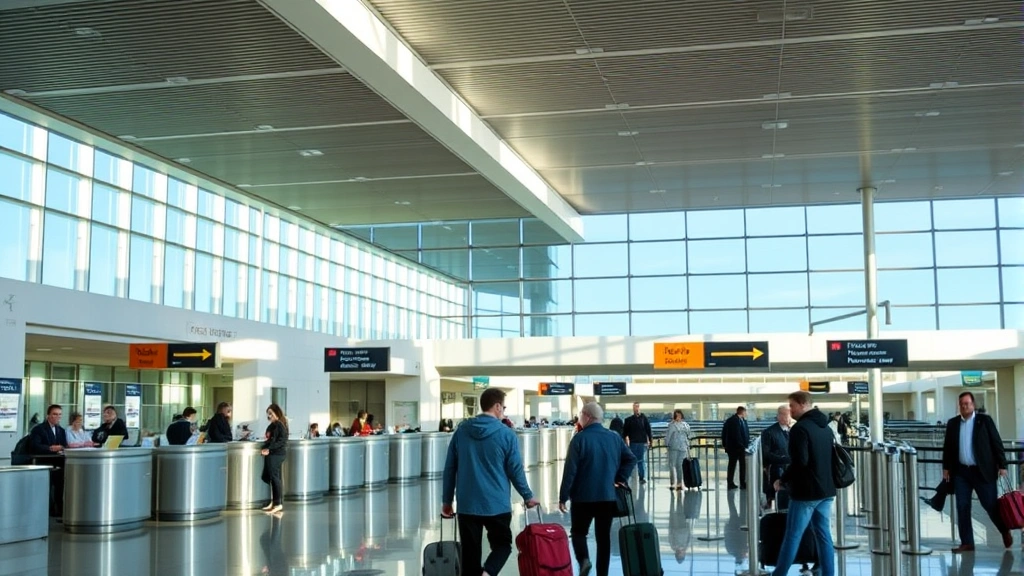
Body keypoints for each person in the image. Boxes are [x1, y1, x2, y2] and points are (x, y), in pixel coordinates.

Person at [442, 388, 539, 576]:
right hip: (497, 504)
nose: (503, 410)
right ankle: (488, 573)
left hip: (468, 504)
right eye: (503, 406)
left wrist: (446, 501)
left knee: (470, 555)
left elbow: (450, 469)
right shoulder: (506, 434)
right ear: (496, 406)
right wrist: (527, 496)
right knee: (502, 546)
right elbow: (515, 470)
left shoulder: (461, 431)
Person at [558, 402, 636, 576]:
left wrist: (563, 496)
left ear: (587, 416)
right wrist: (619, 478)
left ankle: (584, 560)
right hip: (607, 496)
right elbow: (631, 459)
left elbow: (570, 471)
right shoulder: (614, 437)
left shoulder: (579, 438)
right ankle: (603, 573)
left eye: (580, 415)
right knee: (603, 538)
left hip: (582, 497)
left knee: (578, 533)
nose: (579, 418)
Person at [772, 391, 836, 576]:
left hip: (807, 492)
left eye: (792, 406)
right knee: (824, 536)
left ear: (802, 404)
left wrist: (782, 479)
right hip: (826, 490)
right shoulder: (826, 427)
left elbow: (800, 461)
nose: (790, 410)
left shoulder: (800, 429)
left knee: (792, 535)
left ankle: (779, 574)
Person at [941, 391, 1012, 552]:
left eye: (967, 403)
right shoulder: (953, 424)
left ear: (973, 405)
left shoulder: (984, 421)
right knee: (962, 506)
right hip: (961, 473)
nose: (965, 406)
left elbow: (996, 442)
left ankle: (1004, 529)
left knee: (990, 505)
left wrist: (1002, 465)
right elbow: (948, 448)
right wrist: (946, 468)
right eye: (962, 404)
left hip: (982, 472)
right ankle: (967, 542)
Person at [29, 404, 68, 518]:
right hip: (44, 462)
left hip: (59, 462)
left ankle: (59, 511)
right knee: (46, 489)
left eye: (59, 415)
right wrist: (51, 448)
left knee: (59, 488)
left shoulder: (61, 430)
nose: (57, 417)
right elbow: (35, 445)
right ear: (48, 415)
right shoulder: (38, 429)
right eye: (55, 414)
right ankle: (46, 512)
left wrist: (61, 447)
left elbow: (64, 444)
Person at [760, 405, 792, 508]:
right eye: (785, 415)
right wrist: (783, 459)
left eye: (789, 415)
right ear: (779, 416)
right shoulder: (769, 432)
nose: (788, 418)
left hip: (791, 470)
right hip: (777, 469)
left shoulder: (793, 430)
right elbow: (766, 453)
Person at [261, 403, 289, 514]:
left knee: (275, 477)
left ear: (276, 413)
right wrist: (265, 447)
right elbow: (269, 439)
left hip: (277, 454)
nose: (269, 416)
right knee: (273, 477)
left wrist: (269, 448)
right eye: (268, 414)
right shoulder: (273, 425)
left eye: (271, 413)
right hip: (273, 453)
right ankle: (275, 502)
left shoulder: (280, 425)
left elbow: (281, 441)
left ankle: (278, 503)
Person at [622, 403, 653, 484]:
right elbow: (625, 433)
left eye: (637, 407)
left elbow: (648, 430)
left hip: (641, 443)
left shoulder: (644, 418)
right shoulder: (629, 420)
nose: (636, 408)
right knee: (632, 460)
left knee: (641, 460)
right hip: (633, 443)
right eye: (635, 407)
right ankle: (629, 476)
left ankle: (642, 477)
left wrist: (650, 440)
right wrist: (625, 442)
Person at [721, 406, 750, 490]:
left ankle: (742, 482)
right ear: (742, 412)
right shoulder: (732, 421)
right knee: (732, 465)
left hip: (742, 447)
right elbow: (733, 434)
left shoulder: (743, 421)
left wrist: (746, 444)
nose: (746, 414)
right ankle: (730, 482)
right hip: (734, 447)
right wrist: (725, 444)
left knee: (742, 465)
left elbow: (745, 433)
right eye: (745, 412)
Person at [665, 409, 691, 491]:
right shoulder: (672, 425)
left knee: (680, 465)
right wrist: (667, 444)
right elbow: (668, 436)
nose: (678, 417)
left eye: (679, 415)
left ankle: (680, 483)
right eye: (677, 415)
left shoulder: (685, 425)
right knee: (672, 464)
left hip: (683, 447)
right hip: (673, 446)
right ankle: (673, 483)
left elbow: (688, 434)